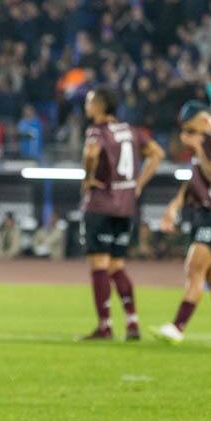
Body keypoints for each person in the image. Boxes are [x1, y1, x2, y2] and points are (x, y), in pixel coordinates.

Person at [155, 101, 211, 347]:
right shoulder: (204, 144)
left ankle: (177, 327)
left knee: (195, 266)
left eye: (190, 127)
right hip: (203, 213)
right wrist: (174, 207)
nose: (187, 134)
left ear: (205, 120)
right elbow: (194, 181)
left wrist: (198, 149)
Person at [79, 87, 164, 340]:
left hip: (101, 203)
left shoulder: (97, 130)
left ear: (100, 105)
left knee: (99, 265)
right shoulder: (130, 130)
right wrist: (138, 184)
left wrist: (88, 177)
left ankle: (105, 326)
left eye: (90, 101)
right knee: (117, 265)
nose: (87, 105)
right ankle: (132, 321)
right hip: (126, 207)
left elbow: (92, 153)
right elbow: (157, 154)